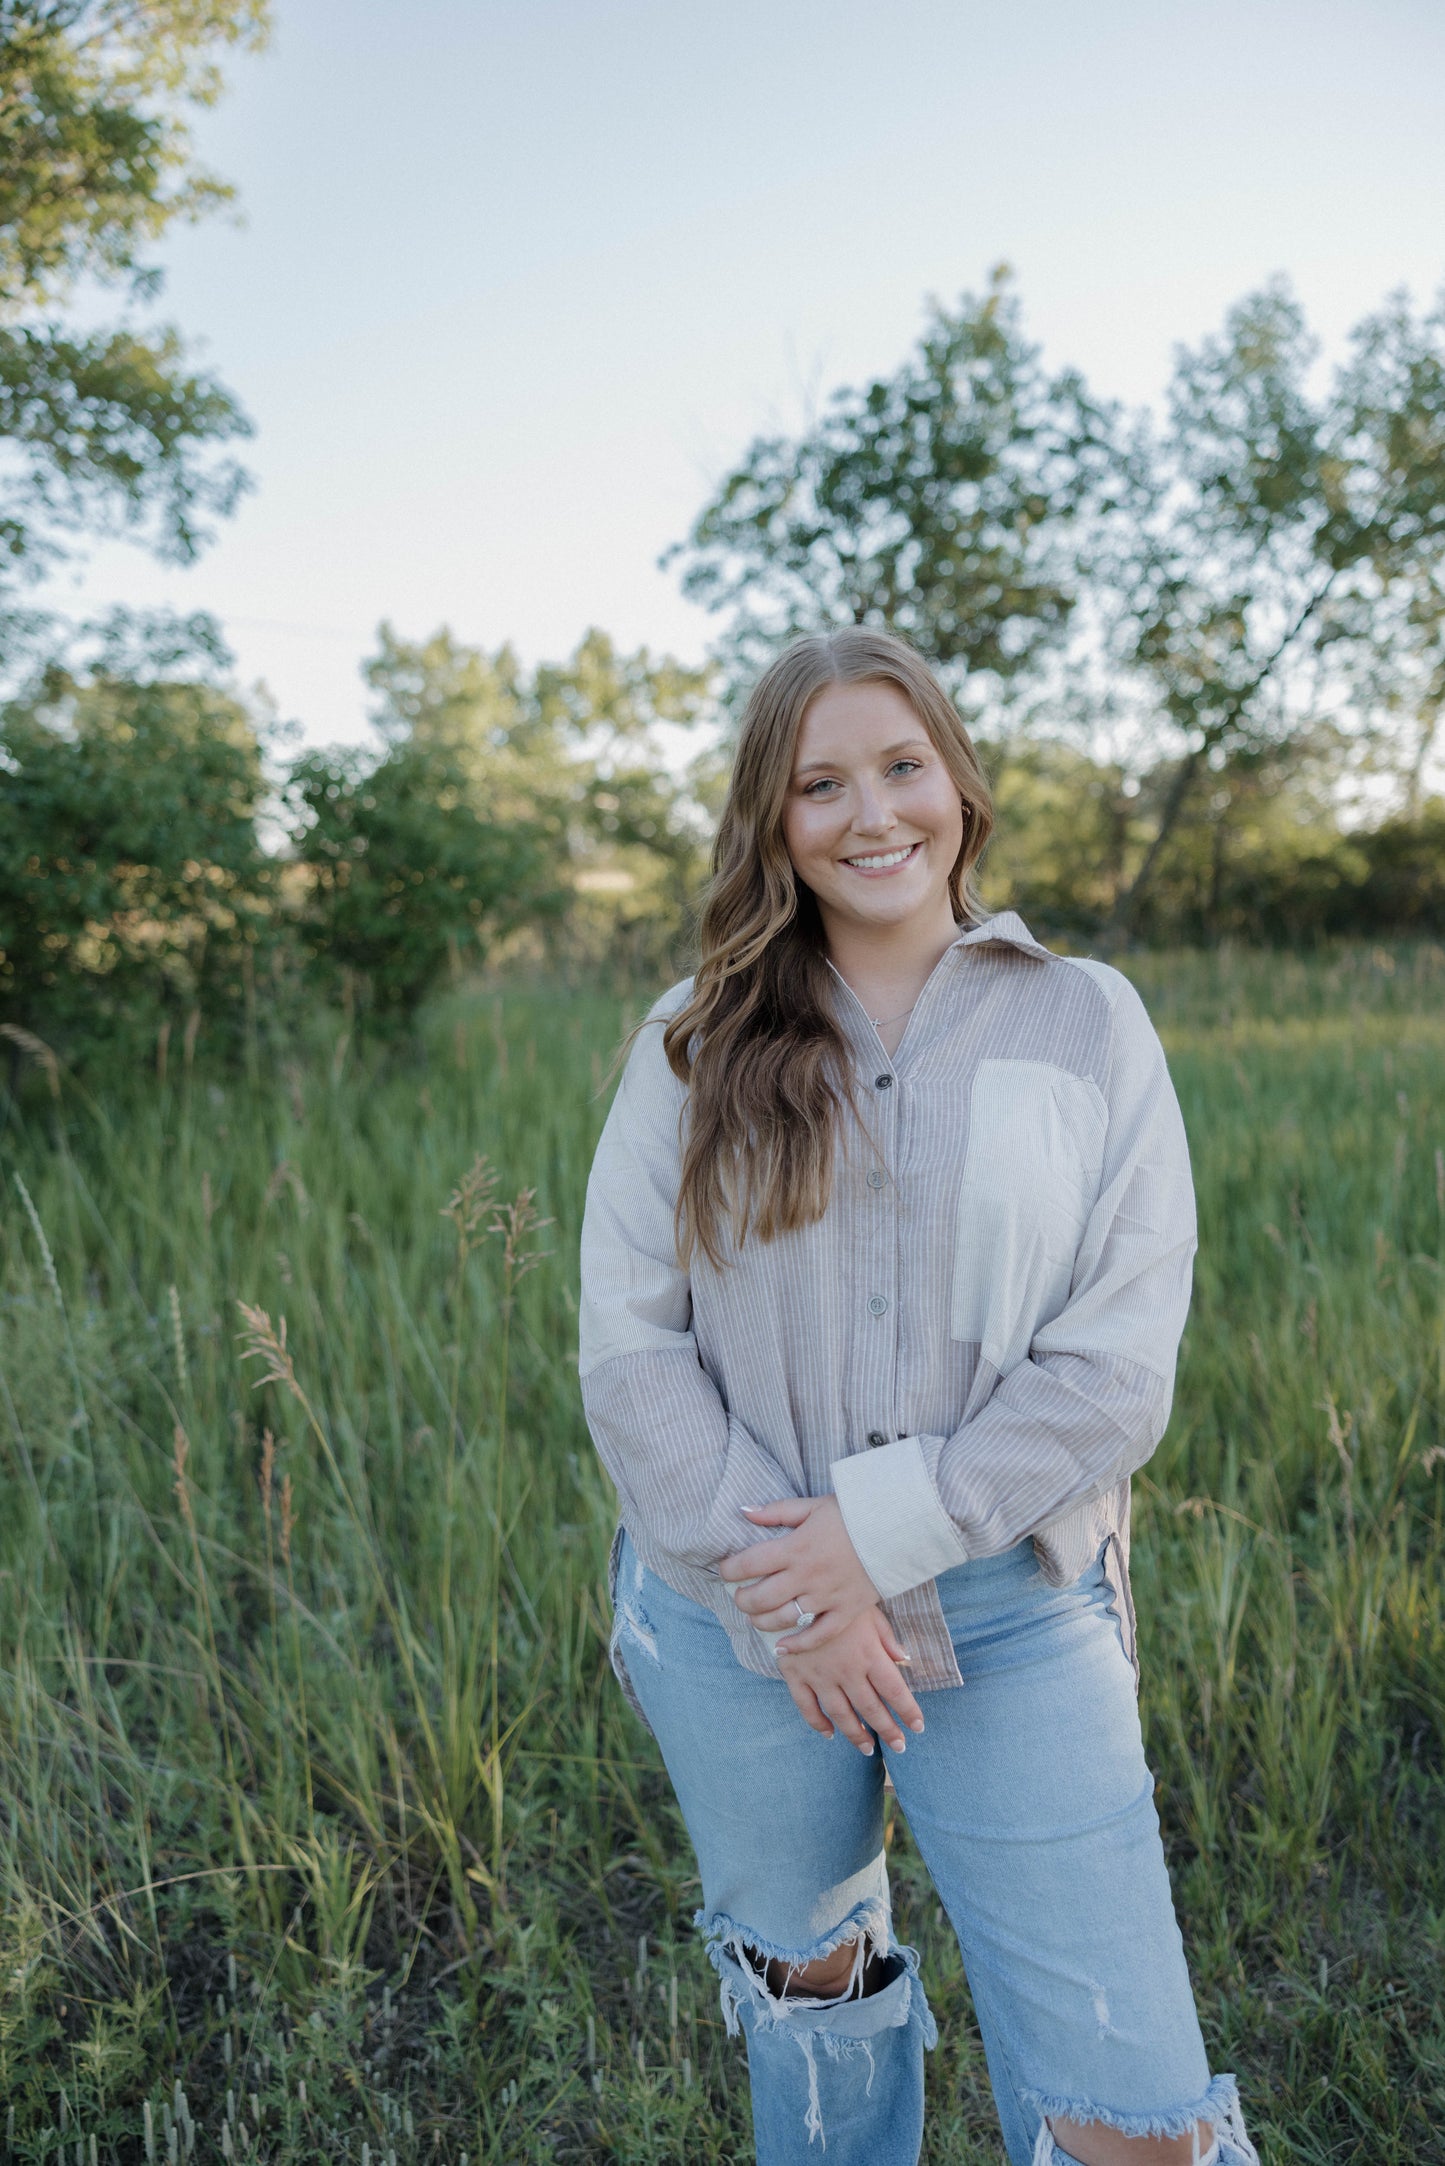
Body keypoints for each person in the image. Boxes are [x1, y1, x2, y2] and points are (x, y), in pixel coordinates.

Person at [577, 628, 1258, 2166]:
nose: (869, 812)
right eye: (818, 783)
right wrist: (801, 1591)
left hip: (1008, 1605)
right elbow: (628, 1343)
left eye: (900, 765)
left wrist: (875, 1538)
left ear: (957, 779)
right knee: (817, 2000)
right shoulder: (690, 1041)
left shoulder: (1086, 1018)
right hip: (734, 1617)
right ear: (775, 820)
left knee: (1131, 2119)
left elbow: (1113, 1365)